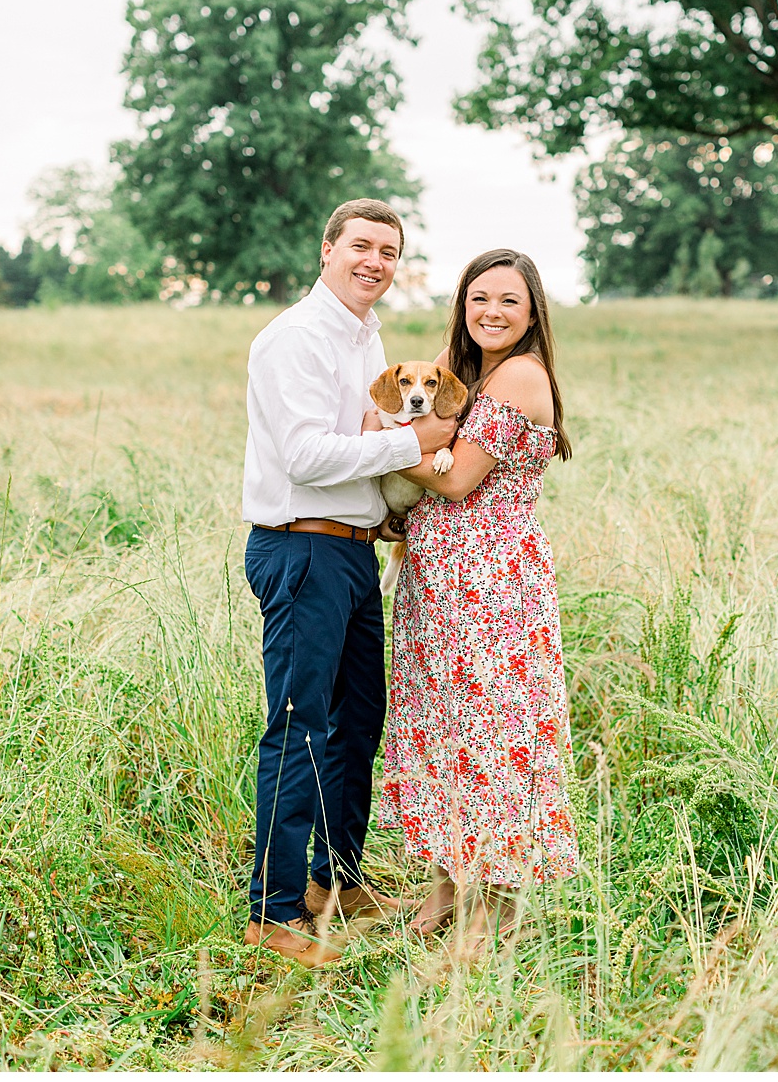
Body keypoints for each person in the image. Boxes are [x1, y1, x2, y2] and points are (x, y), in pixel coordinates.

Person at [241, 199, 459, 968]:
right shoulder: (297, 338)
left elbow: (361, 446)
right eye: (361, 246)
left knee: (358, 721)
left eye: (388, 251)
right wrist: (414, 440)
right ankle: (272, 912)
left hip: (353, 551)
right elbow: (305, 457)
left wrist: (389, 504)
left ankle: (337, 881)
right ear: (328, 248)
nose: (375, 261)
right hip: (302, 550)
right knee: (299, 724)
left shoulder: (364, 336)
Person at [380, 248, 581, 960]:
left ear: (532, 315)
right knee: (438, 728)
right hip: (437, 582)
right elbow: (422, 413)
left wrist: (370, 443)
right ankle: (443, 886)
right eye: (478, 299)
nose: (491, 312)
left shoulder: (521, 374)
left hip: (491, 584)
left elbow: (459, 479)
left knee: (496, 735)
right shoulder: (466, 367)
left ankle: (498, 907)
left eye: (508, 302)